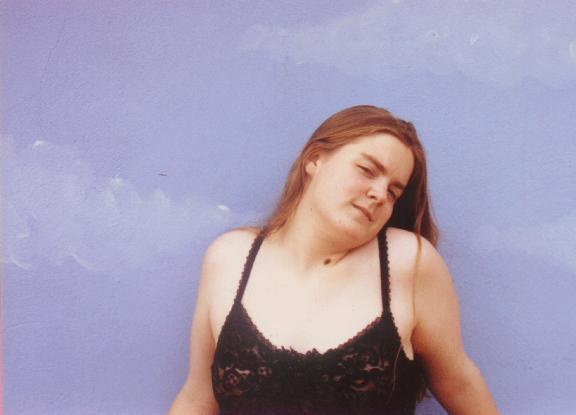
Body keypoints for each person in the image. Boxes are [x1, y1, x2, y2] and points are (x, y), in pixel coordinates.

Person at [168, 105, 499, 414]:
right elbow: (198, 399)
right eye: (367, 170)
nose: (379, 194)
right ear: (315, 159)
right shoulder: (230, 258)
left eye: (393, 192)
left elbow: (460, 384)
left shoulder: (408, 261)